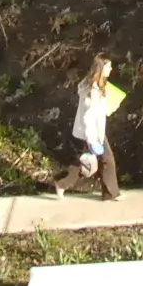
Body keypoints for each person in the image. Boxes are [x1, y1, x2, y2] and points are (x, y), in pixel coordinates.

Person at [53, 54, 123, 200]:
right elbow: (88, 117)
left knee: (83, 162)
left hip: (94, 131)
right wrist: (93, 139)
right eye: (108, 67)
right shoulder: (93, 91)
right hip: (92, 132)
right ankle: (110, 193)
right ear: (101, 69)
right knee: (107, 160)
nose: (111, 69)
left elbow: (100, 110)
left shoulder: (98, 85)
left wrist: (112, 106)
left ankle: (62, 183)